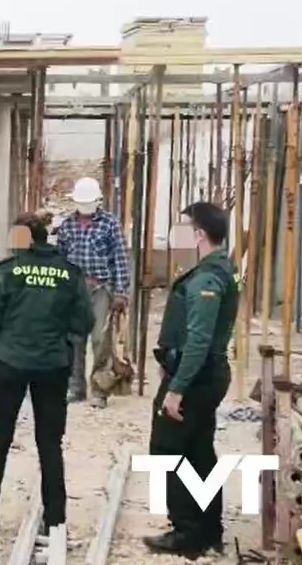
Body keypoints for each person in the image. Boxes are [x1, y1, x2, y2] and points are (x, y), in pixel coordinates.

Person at [0, 212, 94, 538]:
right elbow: (85, 323)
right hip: (52, 366)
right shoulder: (69, 275)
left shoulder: (8, 272)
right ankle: (55, 518)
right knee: (49, 443)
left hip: (9, 363)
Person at [143, 202, 238, 559]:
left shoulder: (207, 279)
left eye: (184, 227)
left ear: (198, 234)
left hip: (195, 378)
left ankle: (186, 533)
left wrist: (176, 390)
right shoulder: (215, 271)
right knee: (199, 452)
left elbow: (198, 341)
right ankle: (209, 529)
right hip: (204, 375)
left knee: (168, 451)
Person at [55, 176, 132, 408]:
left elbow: (120, 258)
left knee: (100, 339)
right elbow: (60, 259)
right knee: (74, 338)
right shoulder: (67, 226)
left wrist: (121, 293)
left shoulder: (110, 224)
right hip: (75, 289)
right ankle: (76, 387)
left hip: (101, 288)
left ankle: (100, 388)